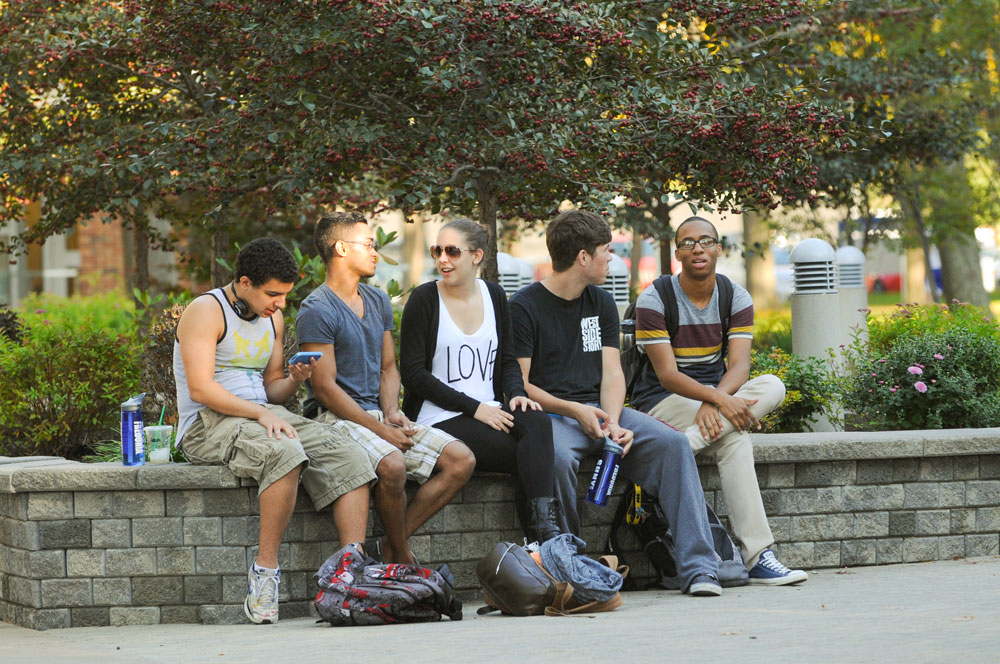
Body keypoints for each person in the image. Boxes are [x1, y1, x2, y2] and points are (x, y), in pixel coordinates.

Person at [509, 209, 722, 596]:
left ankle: (700, 569)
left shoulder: (601, 302)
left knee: (673, 445)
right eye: (607, 251)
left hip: (604, 411)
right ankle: (572, 568)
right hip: (555, 416)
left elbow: (612, 371)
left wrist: (611, 421)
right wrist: (575, 411)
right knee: (555, 458)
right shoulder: (524, 307)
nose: (613, 259)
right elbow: (521, 385)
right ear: (583, 257)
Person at [173, 237, 376, 625]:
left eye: (284, 295)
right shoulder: (206, 311)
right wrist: (261, 414)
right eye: (273, 294)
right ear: (244, 282)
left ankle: (351, 575)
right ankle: (264, 575)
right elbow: (200, 388)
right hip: (207, 423)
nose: (280, 304)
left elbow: (272, 390)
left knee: (348, 452)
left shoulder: (273, 318)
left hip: (260, 413)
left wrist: (296, 379)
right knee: (283, 452)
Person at [631, 215, 807, 586]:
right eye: (689, 242)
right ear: (677, 252)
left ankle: (682, 447)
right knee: (736, 437)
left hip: (714, 397)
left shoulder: (734, 296)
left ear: (718, 248)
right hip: (664, 400)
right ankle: (759, 556)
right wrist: (716, 400)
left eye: (706, 241)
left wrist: (716, 401)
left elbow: (740, 367)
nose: (698, 248)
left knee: (773, 385)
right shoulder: (655, 297)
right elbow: (667, 375)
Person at [297, 212, 476, 565]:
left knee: (461, 460)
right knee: (393, 465)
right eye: (368, 244)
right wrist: (379, 429)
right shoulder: (316, 309)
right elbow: (325, 387)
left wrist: (392, 411)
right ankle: (403, 558)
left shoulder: (378, 300)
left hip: (377, 415)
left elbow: (389, 367)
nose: (375, 252)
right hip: (335, 419)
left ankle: (390, 545)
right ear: (341, 249)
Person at [399, 218, 562, 542]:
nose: (442, 259)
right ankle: (546, 543)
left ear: (476, 256)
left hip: (490, 409)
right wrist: (475, 409)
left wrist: (516, 393)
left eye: (452, 251)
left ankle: (545, 538)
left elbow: (507, 361)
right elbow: (413, 374)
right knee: (526, 456)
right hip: (440, 415)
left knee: (538, 423)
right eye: (437, 251)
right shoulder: (425, 300)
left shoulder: (496, 296)